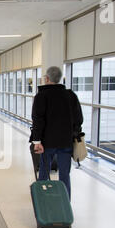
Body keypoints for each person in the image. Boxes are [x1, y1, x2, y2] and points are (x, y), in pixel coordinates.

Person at [30, 66, 83, 199]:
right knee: (65, 174)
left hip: (46, 143)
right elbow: (78, 119)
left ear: (46, 79)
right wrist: (73, 133)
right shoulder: (70, 95)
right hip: (66, 142)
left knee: (44, 172)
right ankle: (65, 204)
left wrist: (37, 141)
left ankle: (43, 201)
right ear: (60, 79)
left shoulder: (41, 96)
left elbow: (38, 120)